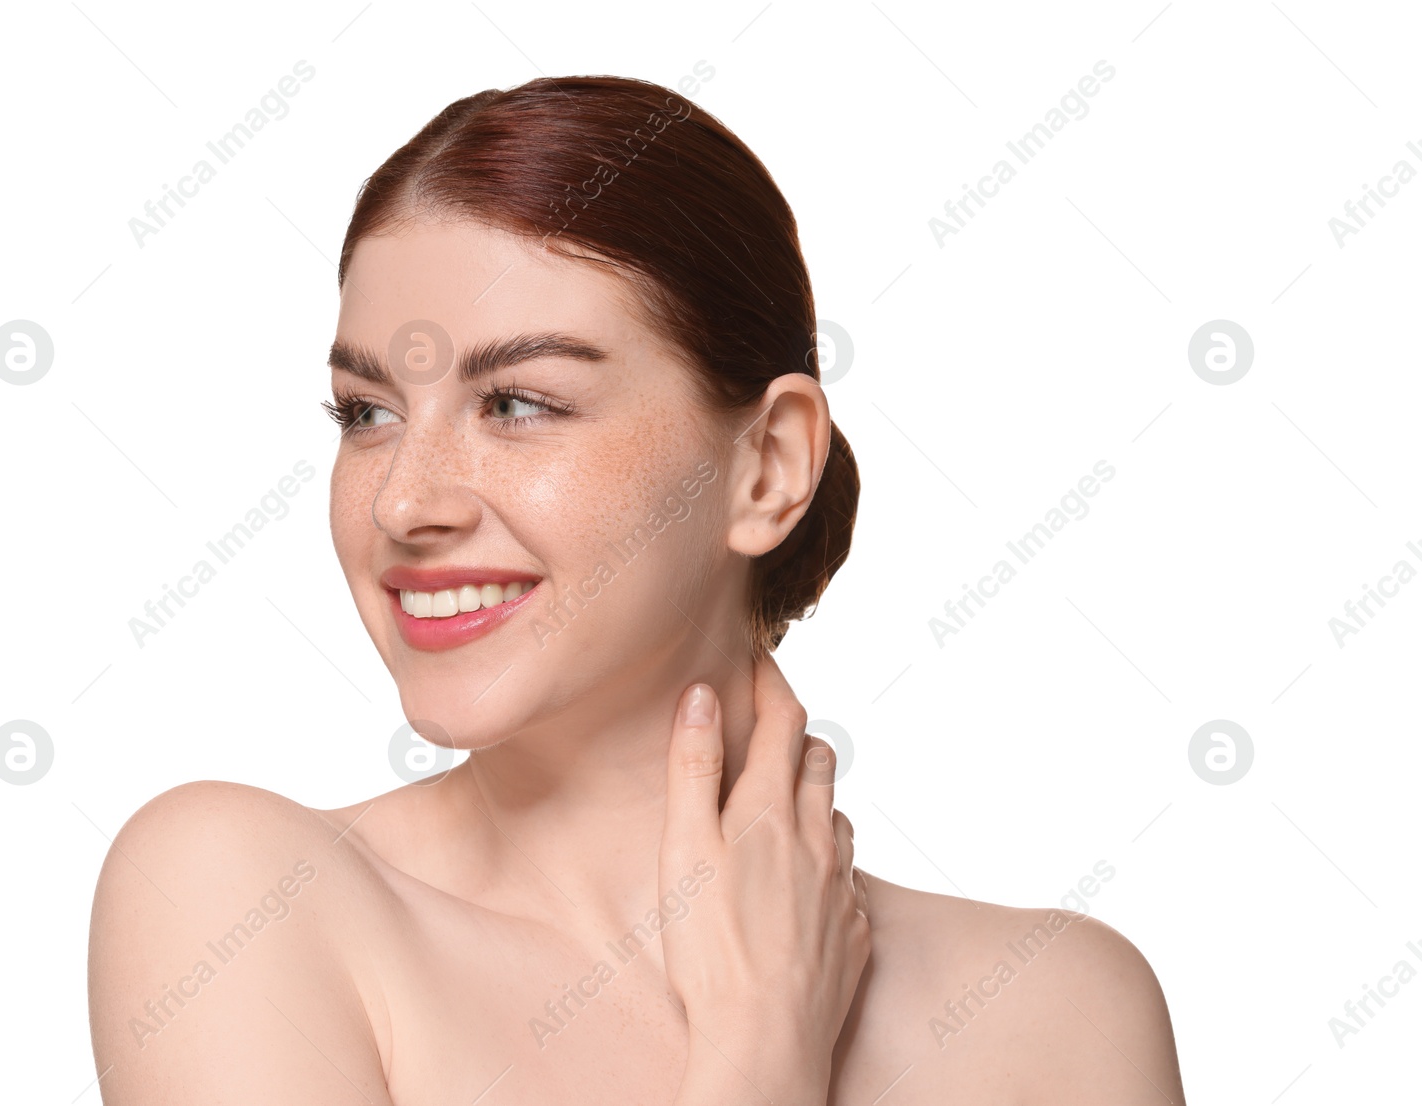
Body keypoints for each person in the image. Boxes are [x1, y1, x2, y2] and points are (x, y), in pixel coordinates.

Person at [88, 75, 1185, 1104]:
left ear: (766, 468)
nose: (403, 504)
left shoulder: (1064, 1015)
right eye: (366, 413)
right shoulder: (235, 902)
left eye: (516, 401)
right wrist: (758, 1054)